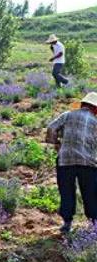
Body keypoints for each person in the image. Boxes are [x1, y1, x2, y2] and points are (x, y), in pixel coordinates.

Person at [46, 92, 97, 234]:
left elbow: (51, 128)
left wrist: (56, 143)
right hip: (88, 162)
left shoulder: (67, 115)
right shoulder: (95, 121)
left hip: (65, 160)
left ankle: (67, 223)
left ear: (82, 105)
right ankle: (94, 224)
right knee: (90, 193)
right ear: (95, 108)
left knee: (66, 191)